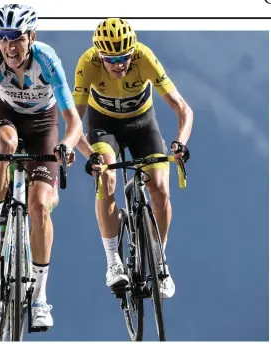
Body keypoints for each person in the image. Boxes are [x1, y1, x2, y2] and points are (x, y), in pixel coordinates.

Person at [0, 4, 82, 330]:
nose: (9, 46)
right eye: (2, 38)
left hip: (44, 126)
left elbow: (73, 122)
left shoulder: (47, 60)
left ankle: (40, 299)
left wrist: (67, 147)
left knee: (40, 206)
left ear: (31, 36)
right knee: (4, 143)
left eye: (16, 38)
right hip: (6, 116)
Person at [73, 18, 193, 298]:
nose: (119, 64)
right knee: (107, 178)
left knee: (160, 189)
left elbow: (183, 109)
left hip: (142, 125)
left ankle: (159, 260)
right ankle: (113, 261)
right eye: (111, 59)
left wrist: (181, 143)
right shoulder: (87, 64)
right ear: (99, 56)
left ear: (133, 51)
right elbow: (73, 125)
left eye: (124, 57)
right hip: (103, 127)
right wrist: (89, 155)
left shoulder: (144, 57)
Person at [0, 141, 60, 336]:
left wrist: (46, 205)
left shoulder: (43, 147)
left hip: (31, 200)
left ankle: (36, 292)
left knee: (39, 230)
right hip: (4, 200)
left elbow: (54, 194)